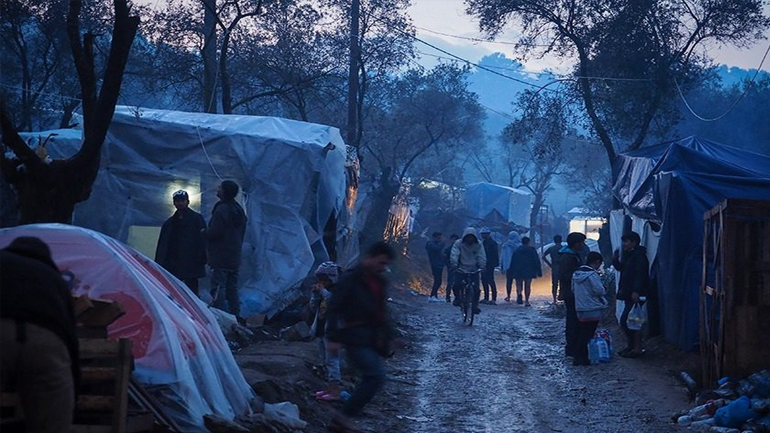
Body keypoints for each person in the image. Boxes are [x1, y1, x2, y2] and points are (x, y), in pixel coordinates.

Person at [1, 237, 79, 433]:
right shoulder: (55, 279)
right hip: (47, 343)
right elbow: (71, 339)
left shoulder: (3, 261)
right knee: (51, 425)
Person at [326, 242, 396, 431]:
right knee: (375, 376)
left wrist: (390, 335)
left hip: (372, 336)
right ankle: (342, 416)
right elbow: (334, 308)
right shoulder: (350, 279)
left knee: (374, 377)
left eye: (385, 264)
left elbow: (381, 311)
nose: (382, 267)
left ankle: (342, 418)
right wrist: (333, 338)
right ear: (369, 258)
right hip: (354, 336)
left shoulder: (379, 282)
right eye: (380, 263)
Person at [204, 180, 247, 318]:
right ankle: (235, 315)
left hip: (220, 255)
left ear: (224, 191)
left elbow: (215, 232)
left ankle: (221, 317)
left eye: (220, 188)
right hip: (234, 256)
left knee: (218, 287)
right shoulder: (238, 210)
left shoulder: (222, 209)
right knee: (232, 288)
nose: (217, 189)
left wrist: (204, 232)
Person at [155, 190, 207, 296]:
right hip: (174, 262)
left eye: (182, 200)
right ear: (174, 203)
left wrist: (203, 257)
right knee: (174, 290)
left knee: (191, 291)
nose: (180, 203)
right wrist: (160, 262)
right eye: (178, 201)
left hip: (191, 261)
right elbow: (163, 244)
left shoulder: (197, 219)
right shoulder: (169, 223)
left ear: (188, 202)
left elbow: (203, 240)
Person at [612, 231, 649, 358]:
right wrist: (615, 259)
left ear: (634, 242)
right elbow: (622, 268)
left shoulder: (639, 257)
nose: (624, 244)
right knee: (631, 321)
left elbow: (640, 275)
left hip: (636, 295)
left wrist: (636, 291)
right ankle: (632, 346)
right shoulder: (630, 255)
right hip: (630, 293)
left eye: (626, 241)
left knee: (631, 321)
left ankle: (636, 348)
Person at [310, 262, 342, 401]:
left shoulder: (337, 292)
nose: (321, 283)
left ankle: (335, 392)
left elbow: (332, 300)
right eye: (320, 280)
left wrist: (322, 291)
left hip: (332, 331)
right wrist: (315, 295)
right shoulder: (323, 293)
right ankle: (327, 389)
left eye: (324, 280)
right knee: (324, 361)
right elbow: (313, 308)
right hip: (321, 329)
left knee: (332, 361)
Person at [572, 251, 608, 366]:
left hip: (580, 307)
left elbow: (573, 289)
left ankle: (578, 357)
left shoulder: (576, 274)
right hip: (592, 307)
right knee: (588, 333)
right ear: (597, 262)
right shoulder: (592, 275)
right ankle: (582, 358)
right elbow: (599, 290)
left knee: (581, 332)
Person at [558, 232, 587, 358]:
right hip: (570, 293)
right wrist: (580, 275)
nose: (583, 245)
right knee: (573, 321)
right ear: (576, 244)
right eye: (581, 243)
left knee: (575, 320)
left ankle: (573, 347)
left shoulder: (573, 255)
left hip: (574, 292)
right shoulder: (567, 257)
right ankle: (571, 348)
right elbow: (564, 275)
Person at [450, 228, 486, 315]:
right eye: (468, 237)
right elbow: (455, 254)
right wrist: (454, 264)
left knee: (476, 290)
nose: (470, 239)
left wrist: (482, 265)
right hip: (461, 268)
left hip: (474, 269)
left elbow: (481, 256)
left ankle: (475, 306)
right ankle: (457, 298)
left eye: (471, 237)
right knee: (456, 285)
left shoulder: (478, 244)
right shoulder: (458, 243)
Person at [509, 237, 542, 307]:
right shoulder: (532, 250)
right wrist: (539, 271)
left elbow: (513, 261)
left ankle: (519, 293)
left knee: (518, 284)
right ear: (529, 242)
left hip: (518, 269)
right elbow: (536, 260)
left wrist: (511, 271)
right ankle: (527, 301)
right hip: (529, 270)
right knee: (527, 285)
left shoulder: (517, 250)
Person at [500, 230, 522, 302]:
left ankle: (508, 296)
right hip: (518, 266)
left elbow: (503, 257)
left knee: (509, 281)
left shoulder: (505, 246)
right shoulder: (520, 246)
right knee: (519, 281)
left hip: (509, 266)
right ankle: (519, 294)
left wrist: (502, 266)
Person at [480, 228, 500, 305]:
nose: (482, 235)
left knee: (490, 280)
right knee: (484, 280)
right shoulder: (484, 243)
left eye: (483, 234)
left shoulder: (492, 243)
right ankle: (486, 298)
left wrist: (492, 264)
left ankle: (493, 298)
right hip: (485, 264)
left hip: (489, 264)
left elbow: (493, 255)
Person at [542, 234, 563, 304]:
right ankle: (561, 296)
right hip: (563, 267)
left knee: (554, 283)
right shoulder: (564, 248)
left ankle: (554, 299)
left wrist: (549, 264)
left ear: (554, 241)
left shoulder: (551, 248)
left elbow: (543, 256)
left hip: (554, 267)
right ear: (561, 240)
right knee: (563, 282)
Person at [425, 232, 446, 302]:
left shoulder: (435, 244)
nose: (440, 239)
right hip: (435, 264)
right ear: (434, 237)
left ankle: (435, 295)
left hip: (439, 264)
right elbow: (437, 249)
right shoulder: (431, 244)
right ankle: (432, 295)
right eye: (438, 238)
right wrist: (442, 243)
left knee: (438, 281)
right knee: (437, 281)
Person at [443, 234, 460, 303]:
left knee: (458, 283)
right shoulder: (448, 249)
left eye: (455, 239)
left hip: (460, 268)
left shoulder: (460, 249)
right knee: (450, 282)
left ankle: (458, 296)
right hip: (451, 267)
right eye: (453, 239)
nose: (454, 241)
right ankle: (448, 296)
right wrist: (449, 265)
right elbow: (445, 258)